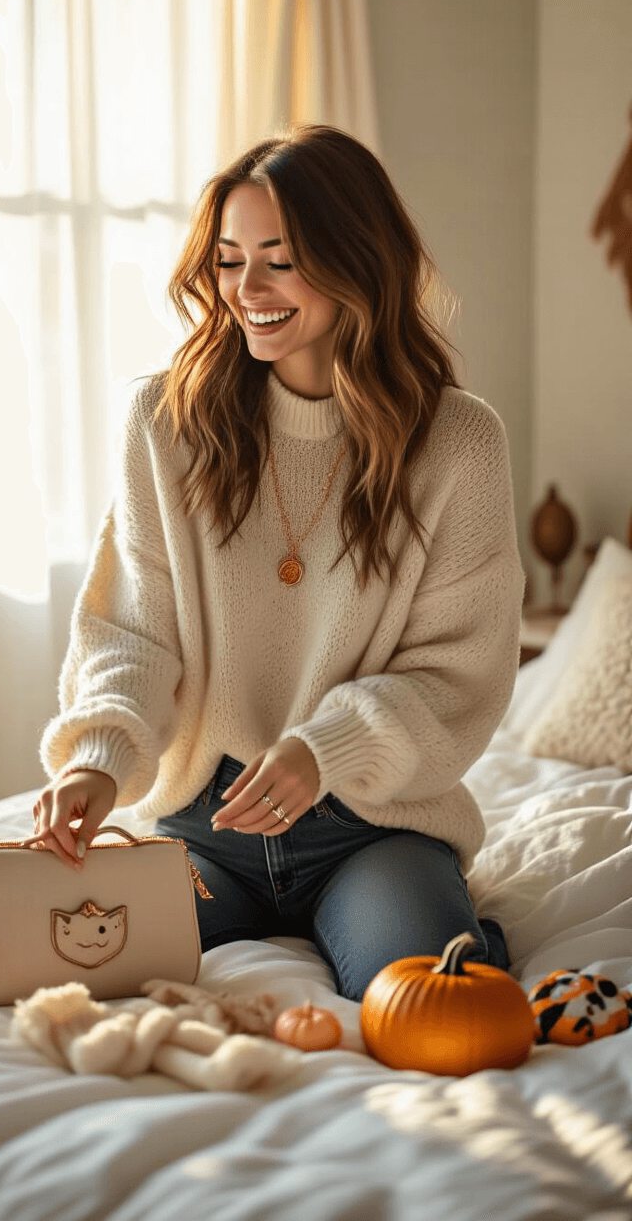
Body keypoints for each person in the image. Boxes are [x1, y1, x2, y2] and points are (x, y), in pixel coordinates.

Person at [33, 124, 525, 1002]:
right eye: (227, 261)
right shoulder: (165, 422)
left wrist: (325, 748)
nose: (246, 290)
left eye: (280, 260)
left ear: (355, 262)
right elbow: (134, 631)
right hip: (203, 824)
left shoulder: (459, 444)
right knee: (63, 970)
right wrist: (97, 761)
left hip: (372, 826)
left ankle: (449, 919)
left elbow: (460, 674)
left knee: (427, 996)